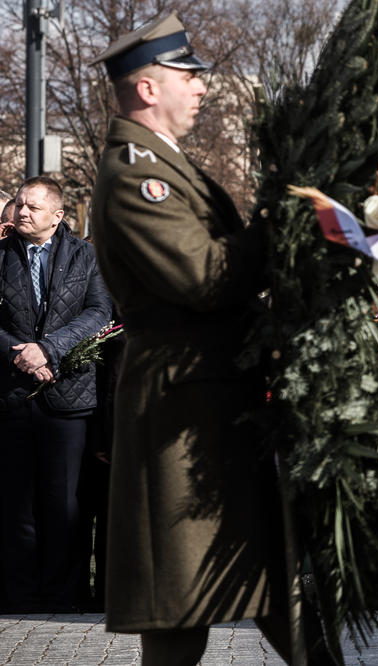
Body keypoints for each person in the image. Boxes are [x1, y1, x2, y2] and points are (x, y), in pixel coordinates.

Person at [89, 13, 324, 664]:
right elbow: (204, 275)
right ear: (145, 88)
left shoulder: (166, 163)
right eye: (185, 74)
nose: (200, 88)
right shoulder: (136, 172)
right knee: (179, 602)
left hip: (210, 395)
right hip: (182, 404)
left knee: (267, 584)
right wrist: (278, 219)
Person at [0, 176, 112, 613]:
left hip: (68, 398)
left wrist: (48, 349)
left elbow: (99, 311)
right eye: (19, 205)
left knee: (65, 503)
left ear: (57, 216)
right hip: (11, 397)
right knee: (16, 504)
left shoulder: (86, 256)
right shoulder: (2, 255)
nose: (21, 212)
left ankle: (64, 595)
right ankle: (20, 595)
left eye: (32, 206)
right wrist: (22, 354)